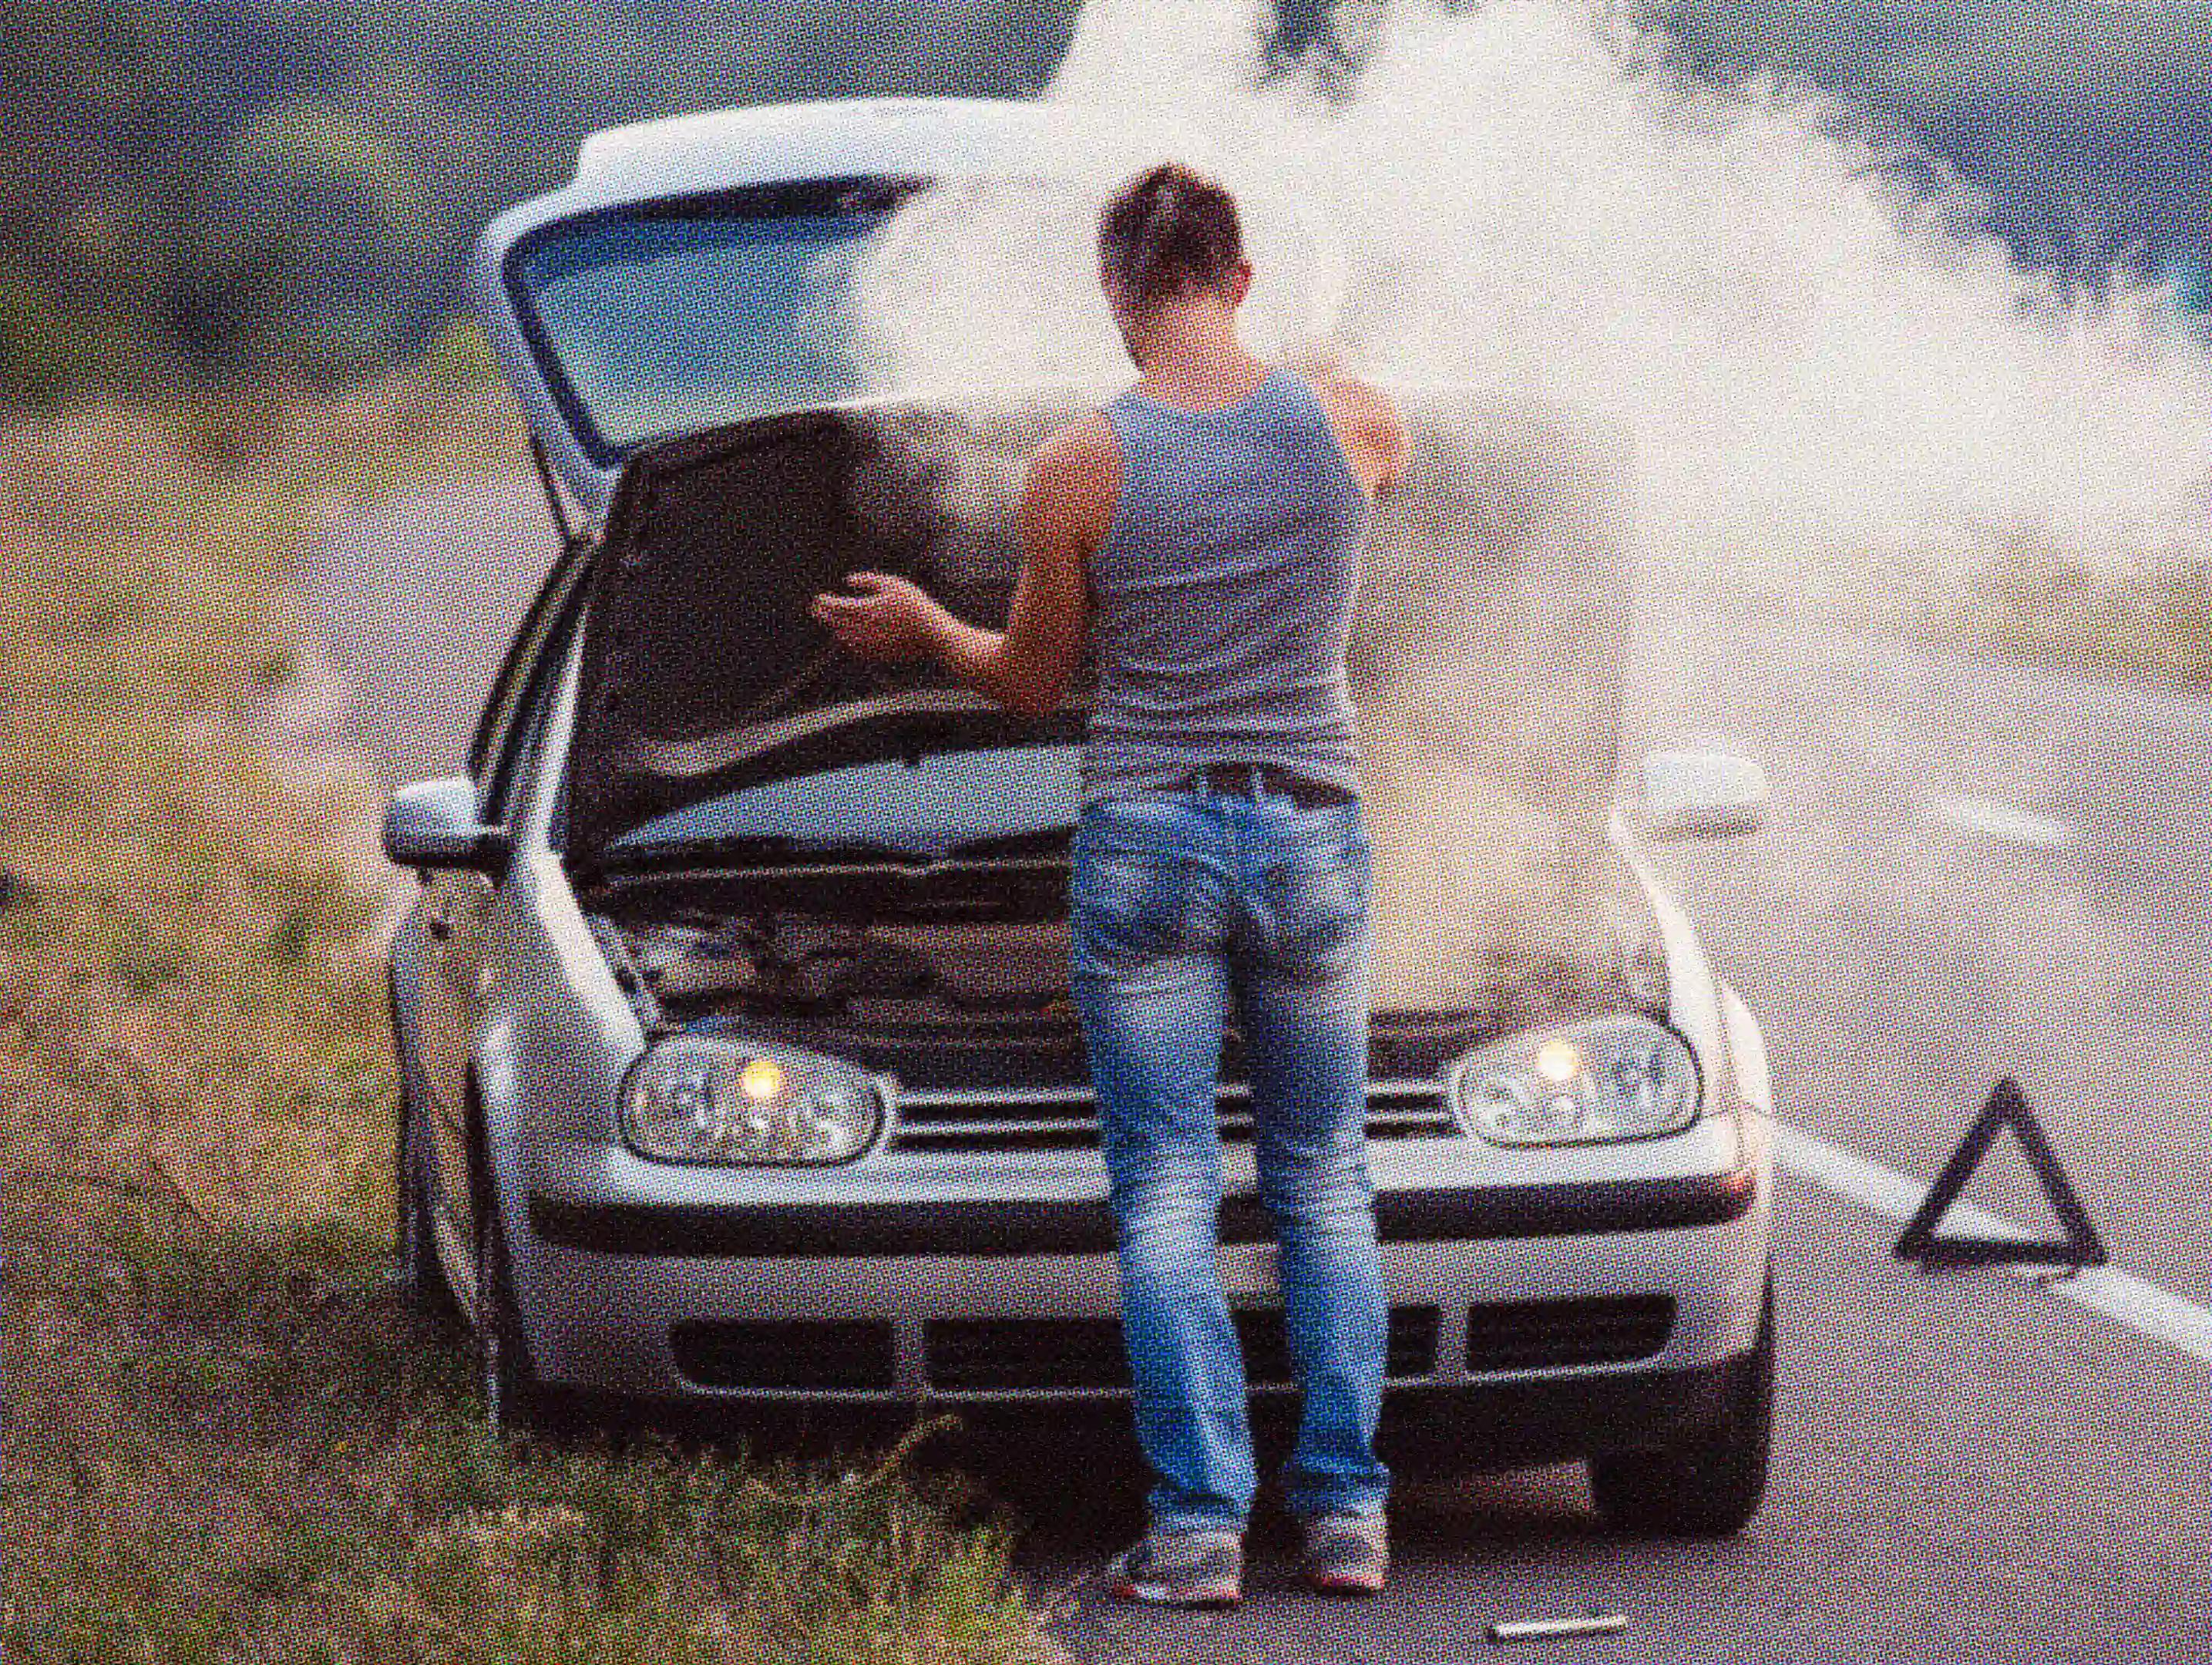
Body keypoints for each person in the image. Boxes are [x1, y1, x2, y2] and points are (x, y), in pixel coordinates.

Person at [810, 160, 1409, 1607]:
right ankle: (1345, 1518)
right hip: (1312, 827)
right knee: (1326, 1182)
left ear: (1115, 295)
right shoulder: (1351, 414)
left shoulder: (1076, 468)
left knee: (1164, 1194)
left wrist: (924, 630)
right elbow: (1370, 434)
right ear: (1242, 276)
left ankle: (1199, 1531)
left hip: (1145, 841)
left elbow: (1028, 684)